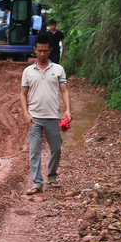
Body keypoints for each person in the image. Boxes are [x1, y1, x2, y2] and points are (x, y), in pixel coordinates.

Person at [20, 34, 72, 195]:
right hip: (34, 118)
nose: (42, 54)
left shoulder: (58, 69)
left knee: (56, 148)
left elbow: (64, 90)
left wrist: (68, 110)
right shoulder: (28, 71)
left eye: (45, 51)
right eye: (39, 50)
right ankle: (37, 183)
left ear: (51, 50)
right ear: (34, 50)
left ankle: (52, 176)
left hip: (53, 116)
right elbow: (23, 94)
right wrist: (26, 114)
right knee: (34, 151)